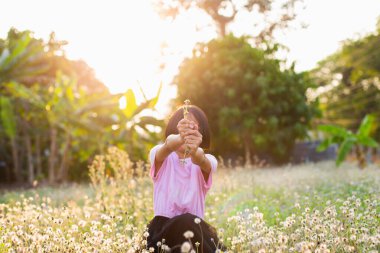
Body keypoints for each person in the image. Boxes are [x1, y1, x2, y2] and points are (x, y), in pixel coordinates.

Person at [145, 104, 226, 253]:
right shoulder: (160, 154)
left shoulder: (209, 160)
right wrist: (181, 137)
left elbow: (201, 160)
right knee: (184, 222)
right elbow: (168, 146)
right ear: (173, 130)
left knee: (187, 220)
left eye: (194, 129)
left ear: (202, 134)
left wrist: (194, 150)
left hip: (194, 229)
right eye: (183, 127)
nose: (188, 133)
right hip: (163, 230)